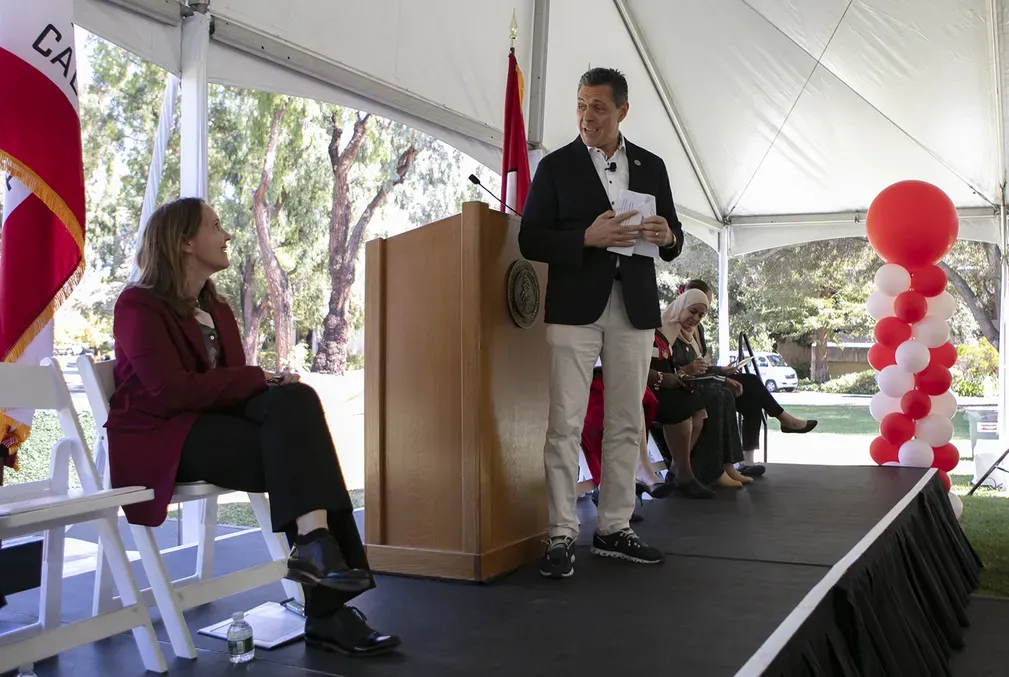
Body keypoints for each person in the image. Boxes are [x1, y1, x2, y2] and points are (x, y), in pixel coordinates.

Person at [106, 197, 399, 657]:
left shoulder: (216, 308)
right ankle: (326, 606)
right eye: (216, 226)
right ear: (185, 242)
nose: (226, 235)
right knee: (297, 452)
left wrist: (269, 384)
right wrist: (256, 378)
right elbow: (170, 392)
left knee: (295, 402)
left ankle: (316, 546)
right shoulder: (138, 305)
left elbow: (231, 388)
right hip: (162, 439)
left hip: (213, 427)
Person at [519, 67, 684, 578]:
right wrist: (584, 239)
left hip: (633, 306)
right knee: (564, 424)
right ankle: (561, 534)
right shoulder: (556, 167)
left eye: (599, 107)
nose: (588, 116)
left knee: (626, 421)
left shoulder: (652, 166)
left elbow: (674, 240)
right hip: (574, 307)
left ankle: (614, 527)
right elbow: (531, 240)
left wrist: (665, 234)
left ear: (623, 111)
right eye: (581, 105)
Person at [682, 279, 817, 470]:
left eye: (705, 308)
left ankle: (748, 460)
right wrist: (721, 375)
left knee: (752, 395)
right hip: (695, 386)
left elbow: (701, 364)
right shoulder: (674, 326)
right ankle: (785, 420)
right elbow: (686, 367)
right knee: (752, 383)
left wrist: (722, 370)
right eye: (697, 308)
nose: (701, 313)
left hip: (707, 379)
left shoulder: (699, 328)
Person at [659, 290, 749, 488]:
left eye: (701, 315)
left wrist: (721, 378)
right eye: (692, 311)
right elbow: (663, 370)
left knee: (724, 394)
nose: (695, 318)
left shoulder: (691, 336)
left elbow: (699, 369)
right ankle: (710, 471)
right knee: (715, 396)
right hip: (668, 388)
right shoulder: (663, 330)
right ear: (681, 306)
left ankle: (727, 464)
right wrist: (687, 371)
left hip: (689, 384)